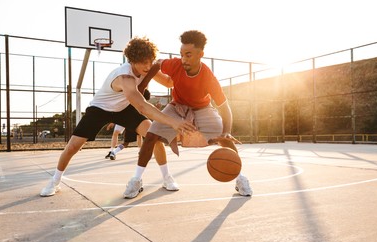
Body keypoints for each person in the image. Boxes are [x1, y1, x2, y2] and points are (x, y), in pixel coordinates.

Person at [40, 36, 195, 197]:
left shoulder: (149, 68)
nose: (148, 66)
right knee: (73, 146)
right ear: (133, 60)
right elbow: (142, 106)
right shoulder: (124, 77)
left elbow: (169, 83)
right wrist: (173, 122)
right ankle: (55, 181)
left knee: (154, 136)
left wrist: (181, 66)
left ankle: (166, 178)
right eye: (143, 62)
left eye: (150, 61)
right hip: (100, 108)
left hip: (124, 108)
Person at [124, 30, 252, 199]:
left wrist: (227, 130)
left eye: (188, 55)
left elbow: (225, 108)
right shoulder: (176, 64)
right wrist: (143, 86)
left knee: (224, 137)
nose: (184, 59)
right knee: (151, 136)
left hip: (202, 109)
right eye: (182, 54)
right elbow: (157, 64)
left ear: (201, 54)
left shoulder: (208, 77)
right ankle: (136, 180)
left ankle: (240, 178)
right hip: (177, 106)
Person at [105, 89, 151, 160]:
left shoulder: (132, 101)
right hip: (137, 124)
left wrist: (113, 122)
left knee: (126, 143)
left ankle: (114, 152)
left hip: (130, 124)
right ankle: (142, 152)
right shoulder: (140, 104)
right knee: (150, 138)